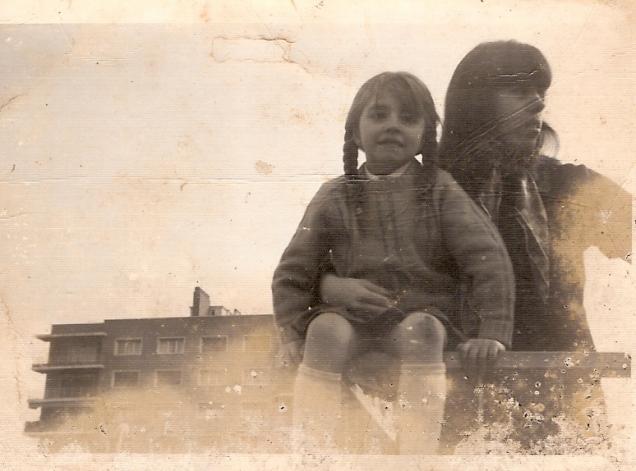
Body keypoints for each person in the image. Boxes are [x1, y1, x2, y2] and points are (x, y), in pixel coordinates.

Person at [271, 71, 515, 454]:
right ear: (355, 133)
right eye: (379, 115)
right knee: (325, 331)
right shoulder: (334, 195)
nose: (392, 126)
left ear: (424, 135)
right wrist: (290, 331)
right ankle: (311, 455)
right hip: (350, 318)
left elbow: (487, 258)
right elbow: (294, 268)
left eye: (408, 117)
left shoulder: (439, 189)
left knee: (424, 331)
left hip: (418, 315)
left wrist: (492, 331)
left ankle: (416, 457)